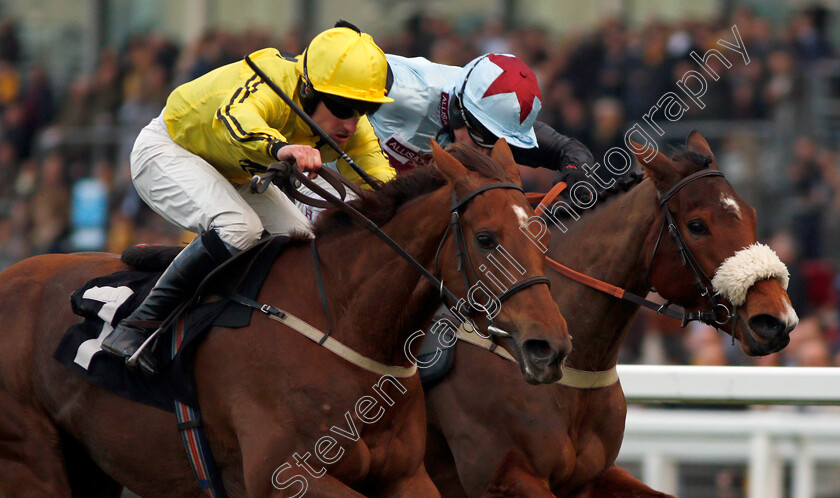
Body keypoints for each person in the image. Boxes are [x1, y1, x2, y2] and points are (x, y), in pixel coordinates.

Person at [102, 23, 395, 374]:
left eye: (363, 109)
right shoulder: (271, 79)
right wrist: (282, 147)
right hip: (167, 149)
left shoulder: (350, 125)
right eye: (341, 105)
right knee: (239, 227)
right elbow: (234, 118)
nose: (351, 122)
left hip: (231, 171)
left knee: (303, 242)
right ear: (307, 88)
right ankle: (137, 328)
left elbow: (378, 179)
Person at [369, 52, 594, 184]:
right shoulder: (401, 89)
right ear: (458, 109)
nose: (486, 152)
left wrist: (577, 177)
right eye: (481, 135)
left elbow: (571, 151)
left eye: (497, 141)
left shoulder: (496, 122)